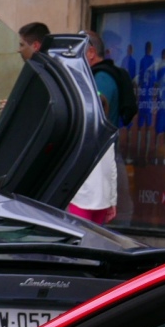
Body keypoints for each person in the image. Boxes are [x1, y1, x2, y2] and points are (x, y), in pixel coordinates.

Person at [68, 32, 120, 225]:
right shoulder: (106, 134)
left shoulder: (100, 80)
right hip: (99, 196)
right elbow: (111, 167)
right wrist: (112, 199)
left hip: (85, 197)